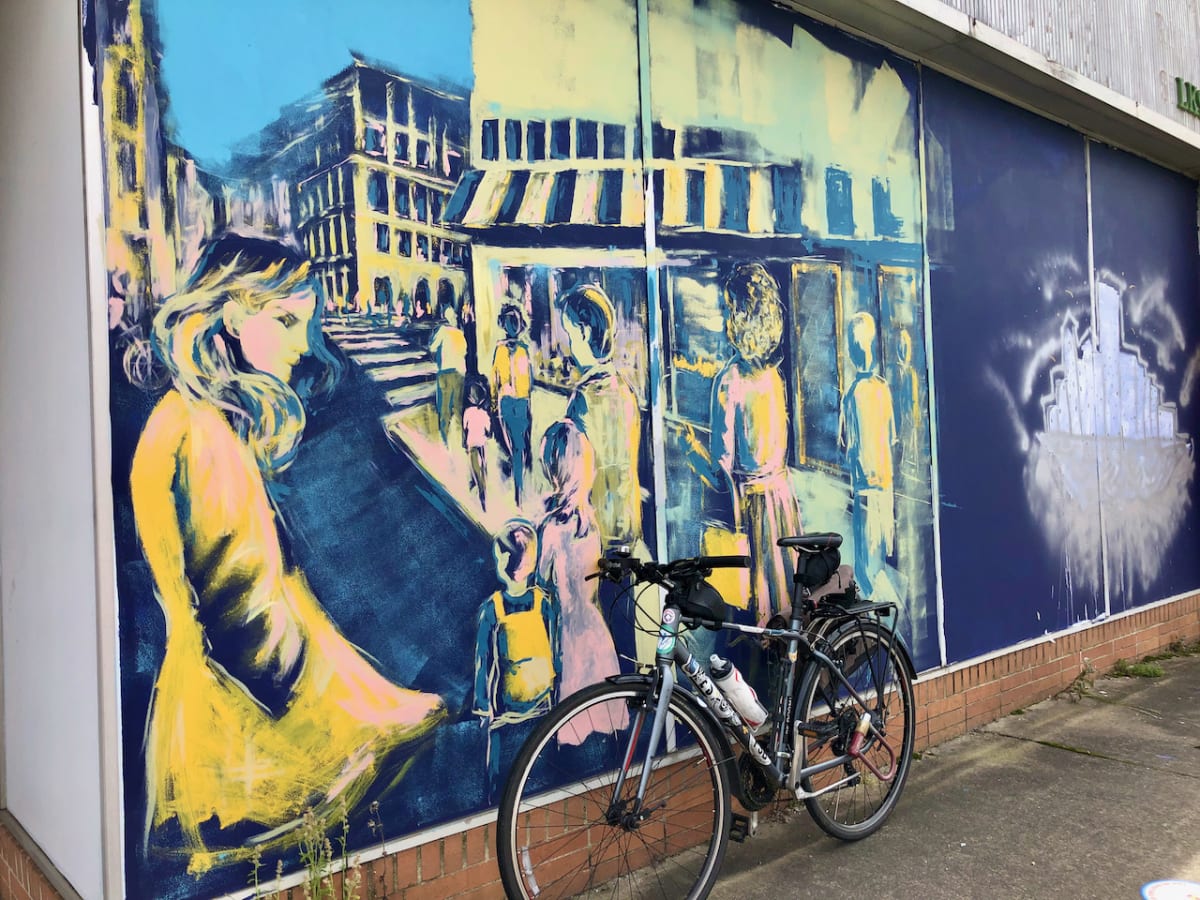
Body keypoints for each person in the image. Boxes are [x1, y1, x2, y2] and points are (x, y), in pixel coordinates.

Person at [129, 234, 446, 868]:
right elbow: (243, 608)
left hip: (210, 727)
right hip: (244, 745)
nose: (305, 346)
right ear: (231, 313)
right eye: (287, 320)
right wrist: (332, 724)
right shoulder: (207, 436)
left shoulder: (179, 418)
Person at [686, 263, 802, 625]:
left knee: (755, 607)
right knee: (784, 594)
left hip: (751, 509)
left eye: (728, 309)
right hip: (781, 500)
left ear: (739, 315)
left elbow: (722, 471)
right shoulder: (774, 377)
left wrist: (691, 451)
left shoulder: (730, 381)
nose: (724, 317)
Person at [536, 420, 626, 744]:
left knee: (571, 708)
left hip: (566, 627)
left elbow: (541, 576)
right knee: (600, 706)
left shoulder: (551, 529)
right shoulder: (590, 523)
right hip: (594, 623)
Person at [473, 519, 560, 801]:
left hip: (541, 709)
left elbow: (554, 651)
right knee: (502, 781)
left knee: (541, 772)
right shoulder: (493, 609)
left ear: (510, 562)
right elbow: (483, 662)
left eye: (499, 557)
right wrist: (484, 707)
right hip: (505, 716)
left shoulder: (542, 603)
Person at [557, 284, 644, 549]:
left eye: (570, 335)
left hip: (595, 531)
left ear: (583, 332)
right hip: (628, 521)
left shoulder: (583, 398)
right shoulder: (626, 390)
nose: (569, 345)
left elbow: (572, 476)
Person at [842, 311, 898, 593]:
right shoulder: (883, 390)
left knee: (865, 559)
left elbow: (846, 443)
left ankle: (872, 602)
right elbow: (892, 435)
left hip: (864, 484)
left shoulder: (852, 395)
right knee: (880, 552)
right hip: (883, 481)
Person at [490, 303, 534, 505]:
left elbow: (529, 379)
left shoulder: (524, 349)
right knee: (513, 446)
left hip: (522, 401)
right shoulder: (499, 349)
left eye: (515, 321)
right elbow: (494, 378)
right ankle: (518, 487)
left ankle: (519, 489)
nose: (512, 325)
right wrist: (492, 402)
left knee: (519, 446)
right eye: (509, 321)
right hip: (506, 402)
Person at [430, 303, 467, 445]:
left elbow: (432, 348)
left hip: (445, 372)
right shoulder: (460, 333)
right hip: (460, 373)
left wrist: (437, 358)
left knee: (444, 409)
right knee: (458, 408)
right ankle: (463, 440)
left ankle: (445, 440)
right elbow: (464, 351)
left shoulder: (442, 330)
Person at [463, 376, 492, 511]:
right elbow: (489, 432)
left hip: (472, 446)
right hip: (482, 445)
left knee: (474, 469)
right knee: (483, 469)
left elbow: (465, 429)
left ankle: (481, 495)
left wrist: (465, 443)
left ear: (470, 398)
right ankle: (480, 487)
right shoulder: (485, 414)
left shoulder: (467, 412)